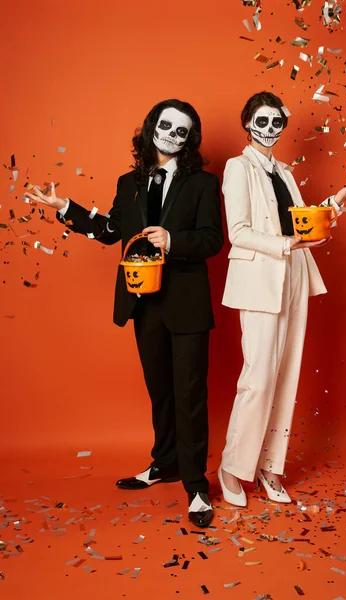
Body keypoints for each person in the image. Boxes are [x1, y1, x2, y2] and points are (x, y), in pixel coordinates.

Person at [25, 99, 224, 527]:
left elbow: (212, 241)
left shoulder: (204, 184)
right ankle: (164, 464)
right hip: (142, 302)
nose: (171, 134)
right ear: (152, 126)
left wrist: (171, 239)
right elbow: (111, 230)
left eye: (182, 130)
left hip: (186, 304)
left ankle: (195, 487)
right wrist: (66, 208)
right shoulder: (127, 182)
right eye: (166, 125)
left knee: (189, 396)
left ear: (190, 139)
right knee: (160, 391)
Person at [218, 91, 346, 507]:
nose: (269, 129)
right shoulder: (239, 168)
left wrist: (335, 203)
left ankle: (271, 466)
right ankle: (234, 466)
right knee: (258, 377)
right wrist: (287, 243)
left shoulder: (284, 172)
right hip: (259, 279)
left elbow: (301, 222)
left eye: (276, 123)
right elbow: (238, 231)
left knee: (286, 375)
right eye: (262, 121)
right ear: (247, 122)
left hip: (293, 277)